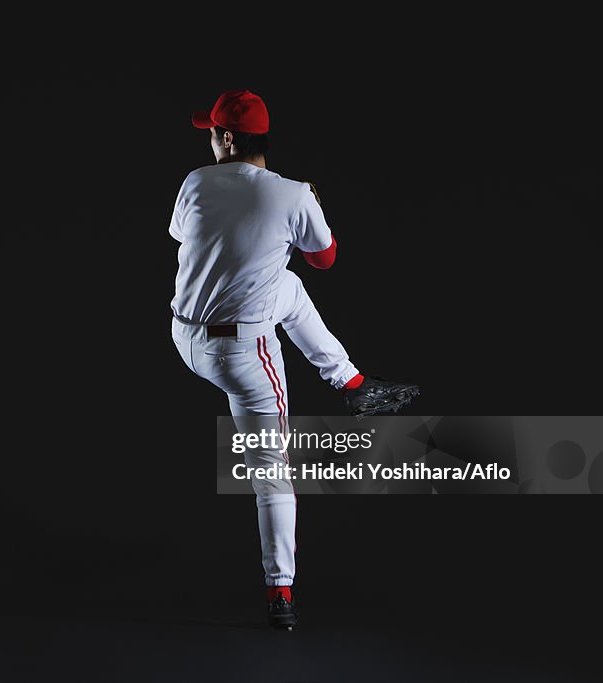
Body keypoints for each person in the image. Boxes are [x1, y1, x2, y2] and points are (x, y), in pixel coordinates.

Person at [169, 89, 419, 629]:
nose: (210, 141)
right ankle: (280, 591)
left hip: (183, 335)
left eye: (212, 133)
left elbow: (195, 239)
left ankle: (353, 383)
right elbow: (325, 258)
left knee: (288, 288)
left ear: (228, 138)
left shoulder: (193, 182)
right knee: (271, 472)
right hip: (241, 353)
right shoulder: (293, 193)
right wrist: (310, 209)